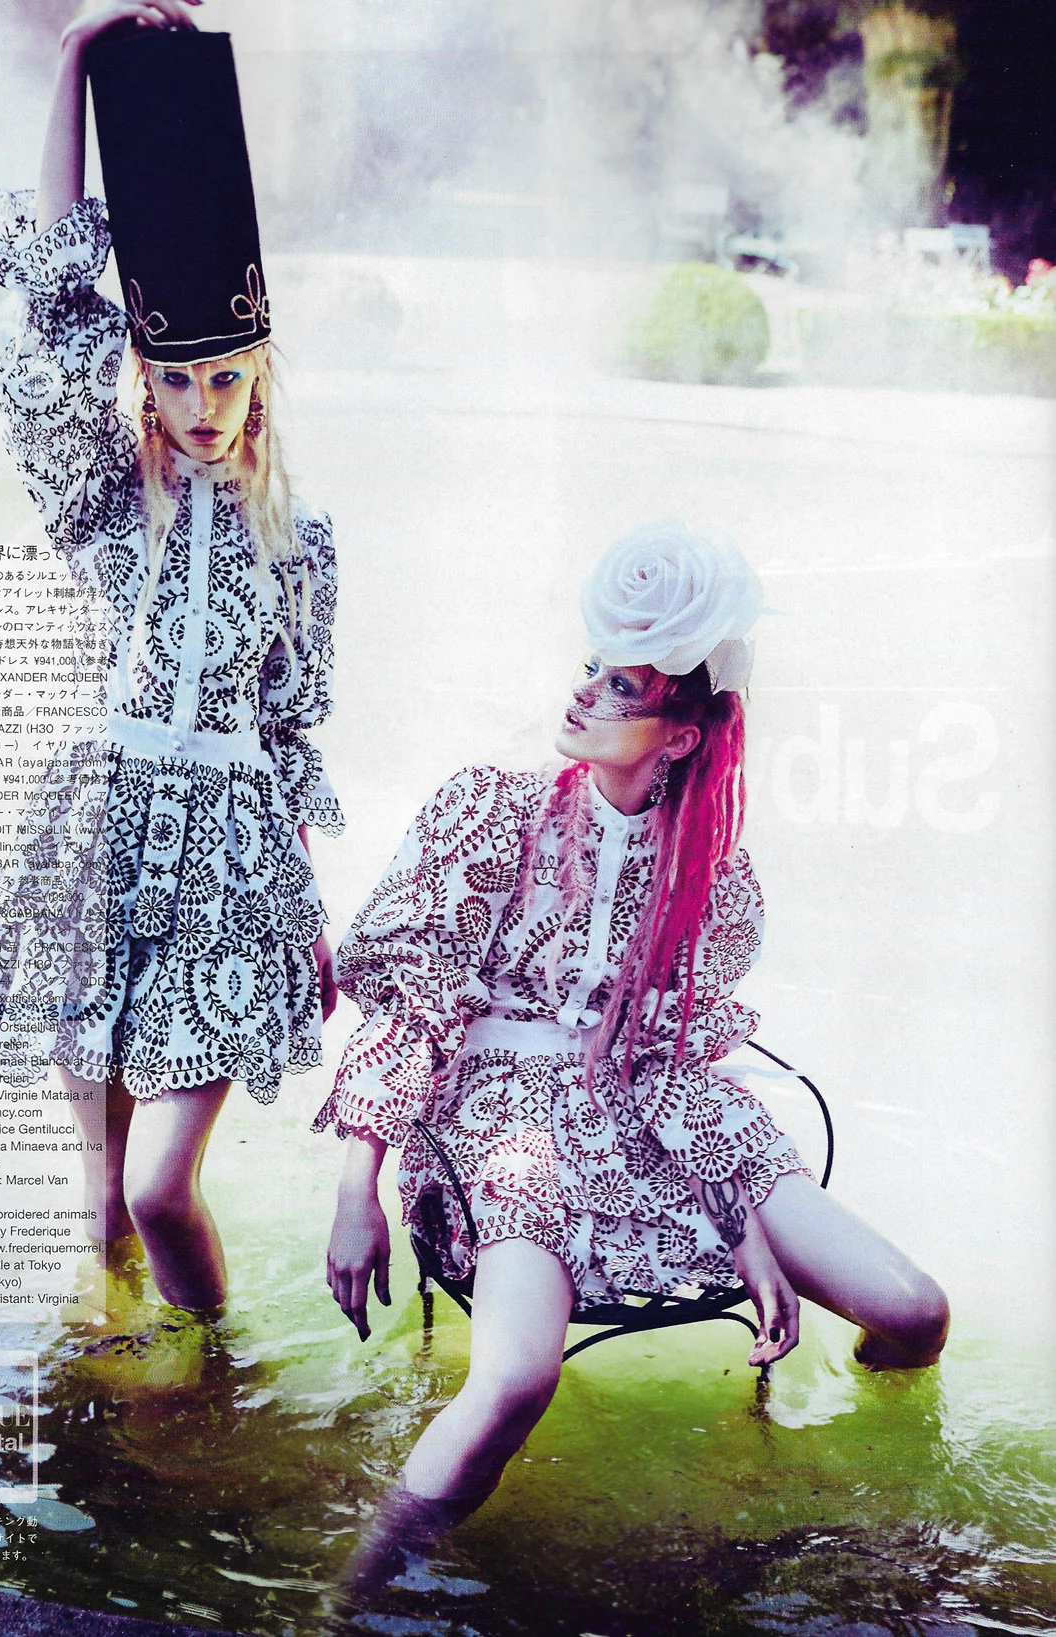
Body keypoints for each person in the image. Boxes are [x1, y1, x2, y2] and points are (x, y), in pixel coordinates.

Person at [319, 522, 949, 1593]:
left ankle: (857, 1479)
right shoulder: (493, 807)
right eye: (592, 669)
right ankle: (344, 1599)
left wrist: (743, 1222)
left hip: (650, 1111)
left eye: (621, 687)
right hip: (498, 1118)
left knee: (917, 1312)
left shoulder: (708, 868)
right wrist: (356, 1189)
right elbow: (412, 1005)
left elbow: (668, 1064)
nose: (584, 693)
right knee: (515, 1381)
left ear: (681, 735)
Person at [0, 0, 341, 1312]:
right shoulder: (112, 503)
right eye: (178, 379)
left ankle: (218, 1376)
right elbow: (60, 289)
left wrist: (305, 917)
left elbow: (288, 738)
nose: (205, 404)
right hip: (99, 840)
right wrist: (74, 58)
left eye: (227, 377)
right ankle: (122, 1402)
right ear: (144, 384)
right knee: (103, 1203)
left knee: (164, 1188)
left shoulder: (302, 544)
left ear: (259, 377)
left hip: (226, 868)